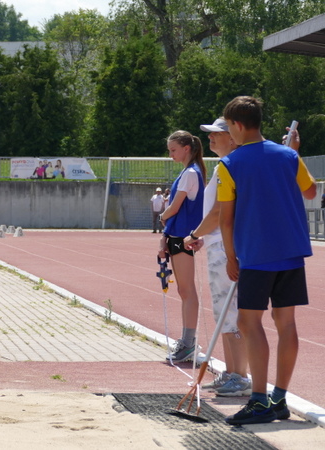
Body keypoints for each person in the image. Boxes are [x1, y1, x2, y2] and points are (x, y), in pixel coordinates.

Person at [218, 96, 316, 425]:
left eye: (228, 126)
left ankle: (259, 400)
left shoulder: (229, 163)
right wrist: (294, 154)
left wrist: (231, 257)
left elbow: (226, 220)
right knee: (286, 323)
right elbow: (311, 191)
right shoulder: (288, 156)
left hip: (257, 253)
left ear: (237, 125)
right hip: (291, 251)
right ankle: (279, 398)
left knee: (249, 323)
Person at [183, 117, 250, 397]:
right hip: (218, 244)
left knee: (230, 312)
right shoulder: (223, 165)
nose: (210, 138)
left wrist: (194, 234)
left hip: (225, 246)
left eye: (216, 134)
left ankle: (241, 376)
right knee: (223, 311)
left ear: (232, 137)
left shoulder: (230, 166)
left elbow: (219, 211)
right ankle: (232, 372)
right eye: (209, 134)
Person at [158, 130, 206, 363]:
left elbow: (175, 207)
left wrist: (163, 217)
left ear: (187, 148)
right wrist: (165, 235)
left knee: (187, 291)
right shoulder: (188, 172)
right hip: (178, 235)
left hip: (184, 236)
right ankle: (187, 342)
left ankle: (189, 343)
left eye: (173, 150)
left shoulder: (191, 173)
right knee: (184, 291)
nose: (171, 155)